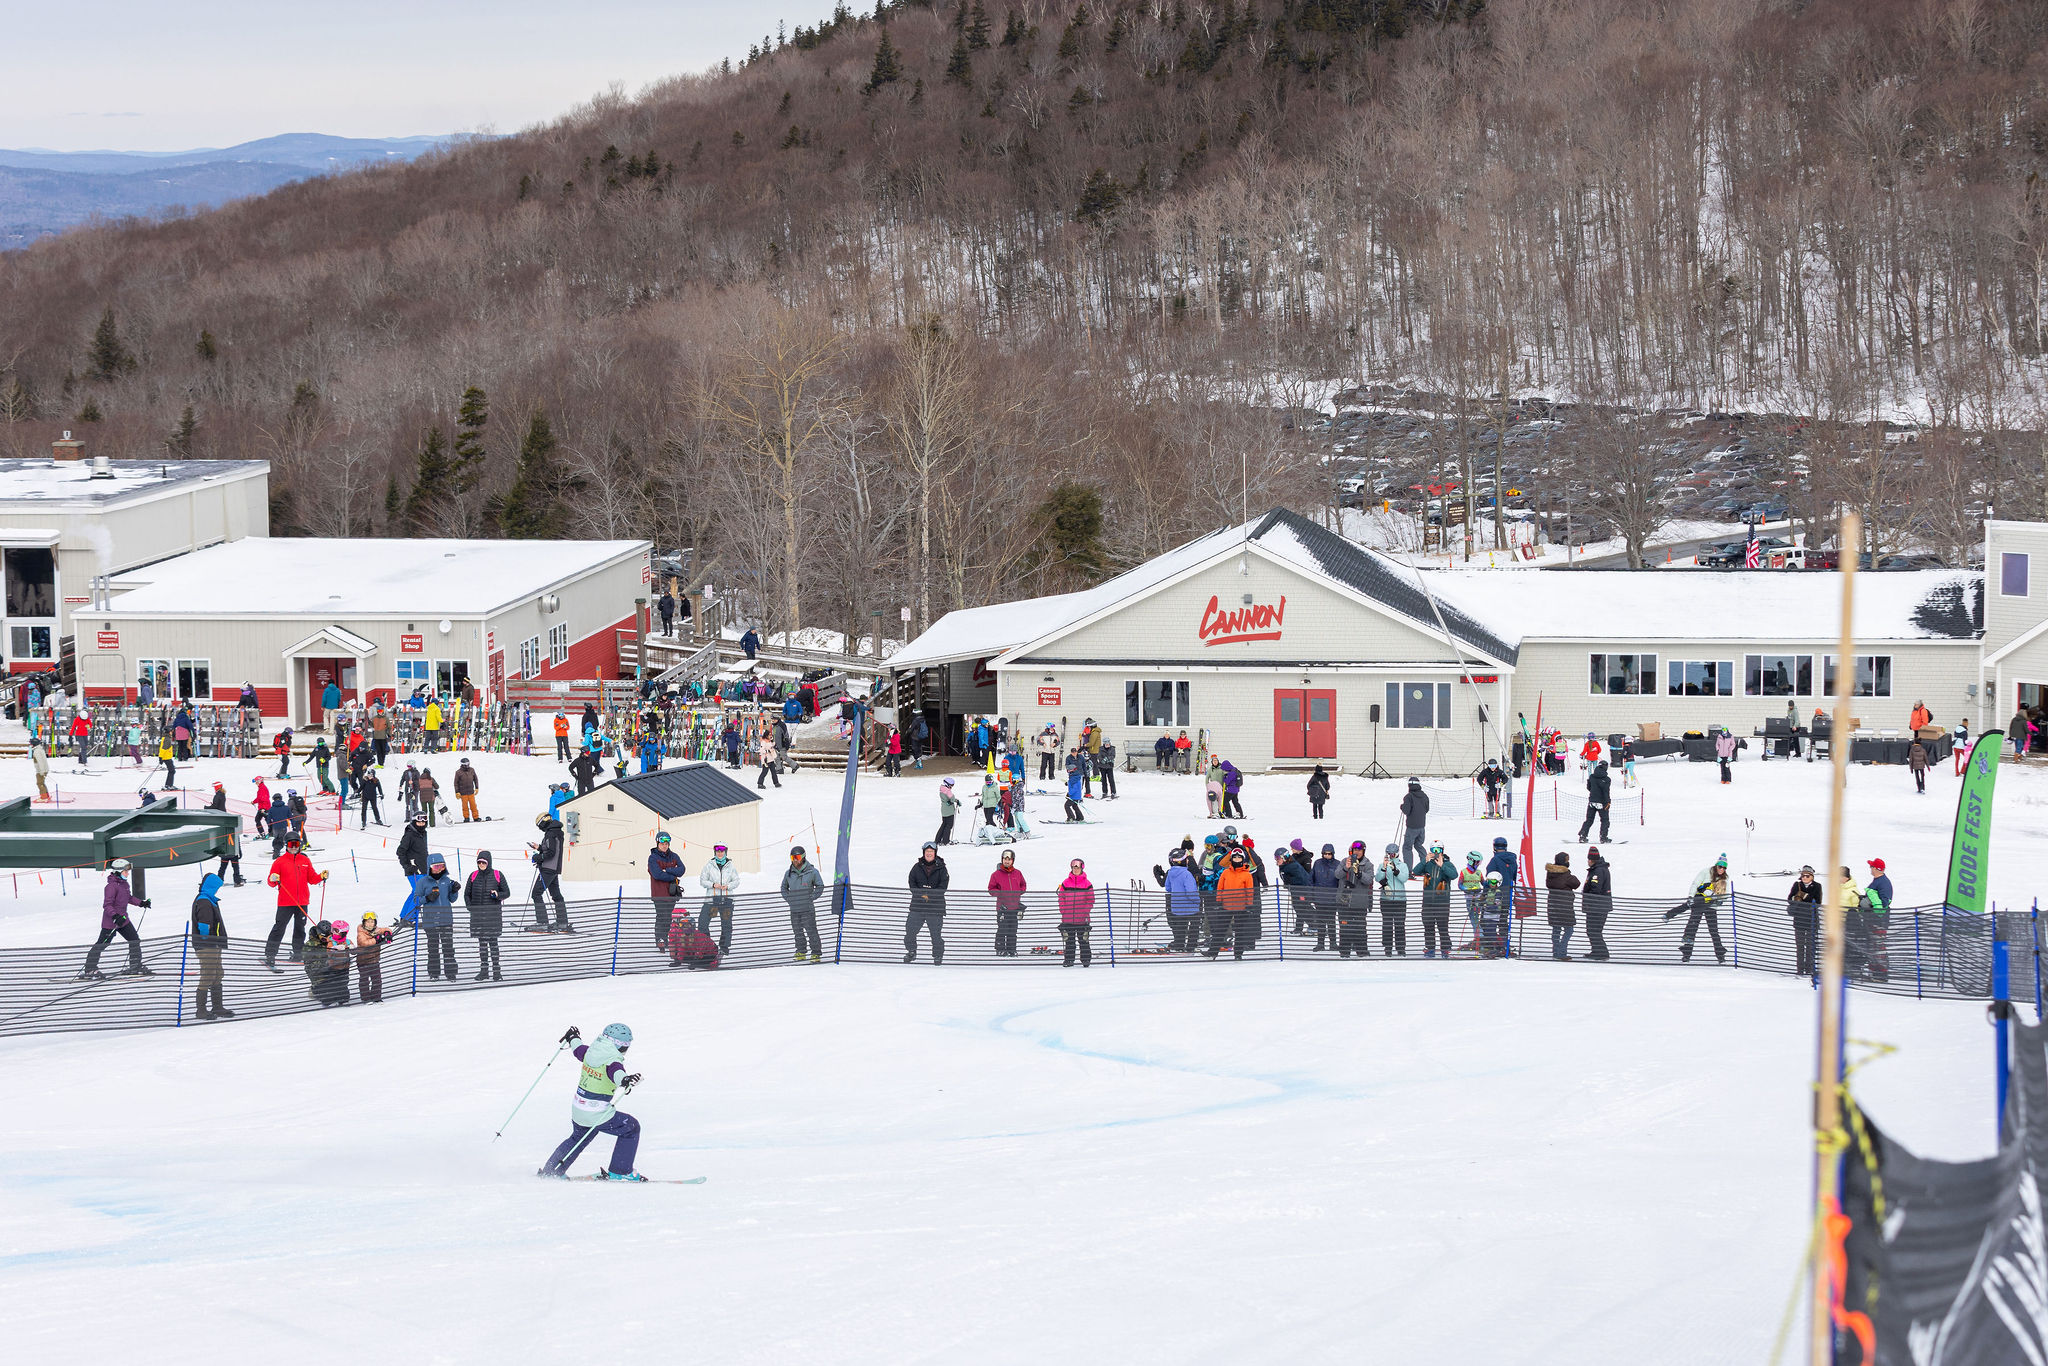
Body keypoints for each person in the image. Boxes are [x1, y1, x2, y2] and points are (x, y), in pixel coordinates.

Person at [538, 1023, 646, 1181]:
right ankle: (621, 1172)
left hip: (579, 1108)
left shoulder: (591, 1052)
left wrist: (573, 1037)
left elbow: (577, 1049)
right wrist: (625, 1080)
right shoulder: (612, 1060)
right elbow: (616, 1072)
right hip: (596, 1112)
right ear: (620, 1046)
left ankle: (551, 1171)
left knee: (579, 1137)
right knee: (631, 1128)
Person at [80, 859, 153, 979]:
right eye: (125, 871)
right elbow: (107, 905)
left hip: (123, 920)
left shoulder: (123, 885)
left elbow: (128, 898)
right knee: (102, 944)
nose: (127, 873)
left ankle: (135, 965)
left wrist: (141, 903)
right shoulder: (111, 887)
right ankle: (90, 969)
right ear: (118, 872)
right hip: (111, 922)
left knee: (134, 940)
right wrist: (115, 916)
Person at [262, 834, 326, 969]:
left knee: (300, 928)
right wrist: (272, 878)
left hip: (302, 901)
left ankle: (298, 953)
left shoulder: (305, 860)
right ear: (286, 845)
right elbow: (271, 882)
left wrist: (321, 876)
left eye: (297, 844)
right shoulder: (279, 861)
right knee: (279, 928)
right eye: (291, 845)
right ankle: (270, 955)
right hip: (285, 902)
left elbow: (312, 878)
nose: (294, 847)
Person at [1669, 853, 1731, 964]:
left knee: (1714, 931)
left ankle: (1720, 955)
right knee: (1693, 926)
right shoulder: (1706, 872)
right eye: (1720, 866)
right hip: (1699, 902)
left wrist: (1721, 900)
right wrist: (1691, 896)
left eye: (1724, 867)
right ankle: (1686, 954)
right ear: (1716, 865)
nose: (1722, 869)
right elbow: (1695, 883)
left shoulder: (1724, 879)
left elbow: (1726, 893)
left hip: (1711, 906)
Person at [188, 871, 233, 1019]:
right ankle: (201, 1010)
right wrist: (208, 940)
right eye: (217, 887)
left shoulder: (209, 899)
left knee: (218, 973)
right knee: (208, 974)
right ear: (212, 887)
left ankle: (217, 1006)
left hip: (214, 944)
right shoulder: (204, 901)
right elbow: (204, 925)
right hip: (207, 945)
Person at [413, 852, 461, 980]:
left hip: (446, 919)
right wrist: (427, 898)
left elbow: (452, 899)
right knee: (433, 948)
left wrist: (454, 891)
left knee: (448, 947)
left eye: (441, 866)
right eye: (436, 867)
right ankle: (434, 973)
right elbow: (416, 900)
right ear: (430, 867)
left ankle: (451, 973)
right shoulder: (423, 882)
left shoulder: (447, 881)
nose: (439, 869)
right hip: (430, 921)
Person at [465, 850, 511, 982]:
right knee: (482, 945)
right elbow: (466, 894)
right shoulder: (473, 876)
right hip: (478, 917)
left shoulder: (497, 874)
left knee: (493, 944)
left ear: (488, 862)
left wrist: (498, 895)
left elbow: (507, 892)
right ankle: (484, 971)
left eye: (483, 862)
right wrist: (470, 907)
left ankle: (497, 971)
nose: (481, 864)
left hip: (493, 917)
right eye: (479, 862)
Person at [1207, 848, 1256, 960]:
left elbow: (1249, 891)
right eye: (1235, 857)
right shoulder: (1226, 872)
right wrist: (1219, 901)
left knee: (1240, 931)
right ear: (1231, 858)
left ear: (1242, 859)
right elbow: (1220, 888)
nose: (1237, 859)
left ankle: (1238, 954)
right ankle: (1212, 952)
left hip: (1241, 907)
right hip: (1226, 906)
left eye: (1239, 857)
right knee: (1220, 930)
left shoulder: (1247, 875)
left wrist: (1249, 905)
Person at [906, 842, 949, 963]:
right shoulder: (916, 867)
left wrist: (929, 896)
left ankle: (937, 955)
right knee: (910, 930)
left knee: (935, 934)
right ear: (924, 853)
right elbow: (912, 883)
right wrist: (921, 895)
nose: (929, 854)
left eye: (931, 852)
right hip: (917, 906)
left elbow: (943, 886)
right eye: (927, 852)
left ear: (935, 853)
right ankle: (911, 951)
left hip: (935, 907)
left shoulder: (942, 868)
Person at [782, 846, 825, 963]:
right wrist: (789, 899)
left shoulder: (812, 872)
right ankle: (801, 951)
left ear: (803, 857)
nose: (795, 860)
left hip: (807, 908)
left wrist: (811, 897)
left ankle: (816, 953)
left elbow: (820, 886)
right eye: (792, 857)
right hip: (794, 908)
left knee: (811, 930)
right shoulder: (788, 873)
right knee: (797, 931)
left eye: (797, 857)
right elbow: (783, 888)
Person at [529, 813, 572, 932]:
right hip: (554, 868)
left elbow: (551, 853)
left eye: (539, 825)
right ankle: (562, 921)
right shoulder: (556, 831)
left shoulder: (550, 834)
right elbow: (551, 848)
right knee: (556, 895)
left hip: (548, 869)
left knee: (536, 893)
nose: (539, 828)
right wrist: (539, 848)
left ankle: (542, 922)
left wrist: (539, 857)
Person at [698, 844, 739, 954]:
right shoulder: (709, 865)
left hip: (726, 901)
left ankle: (724, 947)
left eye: (722, 851)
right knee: (703, 922)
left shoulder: (730, 866)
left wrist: (728, 886)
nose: (720, 853)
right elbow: (702, 880)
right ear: (714, 852)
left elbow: (736, 881)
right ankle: (706, 944)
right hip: (713, 901)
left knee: (726, 924)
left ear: (725, 852)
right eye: (717, 850)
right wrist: (712, 885)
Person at [1416, 843, 1454, 958]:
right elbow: (1415, 871)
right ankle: (1430, 948)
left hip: (1442, 903)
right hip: (1427, 902)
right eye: (1433, 849)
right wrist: (1424, 861)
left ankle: (1445, 949)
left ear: (1442, 851)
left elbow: (1454, 875)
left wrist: (1443, 866)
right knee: (1428, 926)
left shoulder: (1448, 863)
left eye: (1438, 849)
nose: (1436, 852)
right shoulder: (1428, 864)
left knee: (1443, 927)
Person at [648, 833, 685, 948]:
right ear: (657, 844)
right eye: (662, 844)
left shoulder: (674, 856)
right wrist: (673, 876)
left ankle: (667, 938)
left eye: (666, 844)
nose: (664, 846)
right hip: (658, 893)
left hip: (671, 893)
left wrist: (667, 870)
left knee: (668, 916)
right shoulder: (653, 858)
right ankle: (660, 939)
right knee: (661, 917)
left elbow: (682, 869)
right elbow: (657, 874)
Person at [988, 848, 1027, 956]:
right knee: (1002, 929)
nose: (1007, 861)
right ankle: (1000, 948)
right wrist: (1000, 893)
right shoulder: (996, 874)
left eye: (1009, 859)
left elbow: (1023, 884)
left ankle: (1011, 949)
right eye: (1005, 859)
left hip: (1014, 907)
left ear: (1012, 860)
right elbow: (991, 889)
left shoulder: (1018, 873)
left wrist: (1019, 892)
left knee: (1013, 929)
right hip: (1002, 908)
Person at [1057, 858, 1095, 966]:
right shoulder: (1065, 883)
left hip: (1082, 918)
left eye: (1077, 867)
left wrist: (1085, 911)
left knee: (1083, 940)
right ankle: (1069, 960)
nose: (1075, 869)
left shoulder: (1087, 884)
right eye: (1073, 867)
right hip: (1068, 918)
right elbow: (1061, 897)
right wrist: (1063, 910)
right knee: (1069, 940)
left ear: (1082, 868)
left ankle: (1086, 959)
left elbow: (1090, 899)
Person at [1544, 851, 1580, 960]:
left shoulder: (1550, 874)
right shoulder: (1565, 875)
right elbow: (1576, 883)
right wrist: (1568, 871)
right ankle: (1562, 952)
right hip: (1565, 908)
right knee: (1569, 930)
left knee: (1556, 930)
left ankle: (1556, 951)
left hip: (1553, 907)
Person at [1787, 865, 1822, 977]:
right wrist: (1796, 898)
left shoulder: (1817, 886)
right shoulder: (1796, 885)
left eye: (1807, 876)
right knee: (1800, 946)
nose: (1804, 878)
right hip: (1799, 920)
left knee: (1811, 946)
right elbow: (1790, 898)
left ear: (1812, 877)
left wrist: (1804, 896)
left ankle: (1809, 968)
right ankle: (1800, 969)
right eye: (1803, 876)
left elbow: (1817, 901)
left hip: (1812, 920)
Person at [1165, 851, 1203, 952]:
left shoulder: (1170, 873)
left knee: (1181, 927)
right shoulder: (1186, 874)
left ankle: (1179, 945)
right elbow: (1191, 891)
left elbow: (1168, 888)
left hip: (1177, 907)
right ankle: (1191, 946)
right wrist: (1197, 901)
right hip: (1191, 908)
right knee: (1194, 926)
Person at [1309, 842, 1343, 951]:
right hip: (1319, 898)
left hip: (1332, 899)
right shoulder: (1317, 863)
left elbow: (1340, 881)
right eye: (1325, 854)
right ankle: (1320, 944)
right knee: (1321, 922)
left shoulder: (1338, 864)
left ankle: (1333, 943)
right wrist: (1312, 895)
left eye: (1329, 854)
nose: (1327, 856)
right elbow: (1311, 879)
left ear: (1333, 854)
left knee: (1331, 922)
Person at [1376, 843, 1409, 955]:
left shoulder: (1403, 865)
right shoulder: (1382, 864)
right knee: (1387, 924)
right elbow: (1377, 878)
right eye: (1389, 854)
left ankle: (1401, 948)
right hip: (1386, 899)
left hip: (1400, 899)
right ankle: (1387, 947)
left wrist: (1396, 870)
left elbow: (1404, 878)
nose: (1391, 856)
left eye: (1393, 854)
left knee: (1400, 924)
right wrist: (1384, 868)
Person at [1581, 847, 1613, 961]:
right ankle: (1597, 951)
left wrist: (1587, 895)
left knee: (1593, 930)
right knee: (1593, 930)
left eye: (1588, 859)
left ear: (1591, 859)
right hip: (1598, 906)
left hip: (1597, 907)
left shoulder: (1598, 871)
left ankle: (1602, 953)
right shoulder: (1598, 869)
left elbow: (1596, 889)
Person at [1577, 760, 1612, 842]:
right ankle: (1603, 837)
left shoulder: (1592, 776)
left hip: (1592, 801)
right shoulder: (1606, 779)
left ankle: (1583, 835)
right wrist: (1608, 802)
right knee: (1605, 820)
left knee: (1589, 820)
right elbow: (1606, 792)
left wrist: (1594, 793)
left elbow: (1589, 787)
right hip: (1602, 802)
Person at [1398, 777, 1429, 868]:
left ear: (1409, 785)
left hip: (1412, 827)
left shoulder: (1409, 797)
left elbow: (1406, 811)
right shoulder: (1424, 796)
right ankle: (1425, 867)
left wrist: (1402, 806)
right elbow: (1427, 809)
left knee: (1407, 847)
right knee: (1419, 845)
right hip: (1421, 827)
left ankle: (1408, 870)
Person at [397, 811, 429, 879]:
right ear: (414, 822)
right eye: (419, 822)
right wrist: (407, 866)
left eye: (423, 823)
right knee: (418, 889)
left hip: (424, 869)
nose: (421, 825)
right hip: (414, 871)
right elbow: (400, 851)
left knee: (426, 889)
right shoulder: (409, 835)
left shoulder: (423, 833)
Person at [935, 777, 960, 845]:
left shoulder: (942, 789)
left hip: (944, 809)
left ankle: (937, 840)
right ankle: (945, 840)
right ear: (947, 784)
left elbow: (948, 799)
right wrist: (955, 800)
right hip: (949, 810)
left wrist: (955, 800)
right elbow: (952, 798)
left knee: (944, 824)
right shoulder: (947, 791)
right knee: (949, 825)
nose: (952, 787)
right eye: (951, 785)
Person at [30, 737, 49, 801]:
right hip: (43, 769)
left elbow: (40, 761)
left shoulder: (36, 751)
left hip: (41, 770)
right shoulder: (39, 749)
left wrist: (42, 771)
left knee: (39, 783)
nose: (30, 745)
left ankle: (44, 797)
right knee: (42, 783)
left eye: (31, 743)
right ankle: (46, 795)